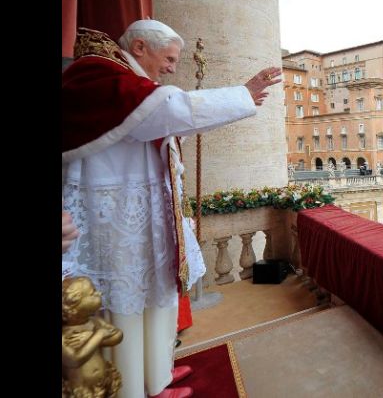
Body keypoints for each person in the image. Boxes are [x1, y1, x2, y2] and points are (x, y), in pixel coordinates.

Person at [62, 20, 282, 398]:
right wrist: (242, 95)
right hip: (114, 224)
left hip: (143, 218)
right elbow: (168, 110)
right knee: (127, 302)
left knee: (153, 296)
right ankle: (129, 389)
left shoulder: (133, 86)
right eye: (169, 58)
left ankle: (155, 377)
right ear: (141, 47)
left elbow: (164, 120)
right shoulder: (101, 76)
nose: (171, 68)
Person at [62, 277, 124, 398]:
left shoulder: (94, 322)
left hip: (104, 382)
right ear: (74, 307)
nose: (98, 293)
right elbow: (74, 359)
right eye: (92, 293)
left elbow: (118, 335)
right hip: (80, 390)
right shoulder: (64, 335)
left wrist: (90, 336)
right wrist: (99, 335)